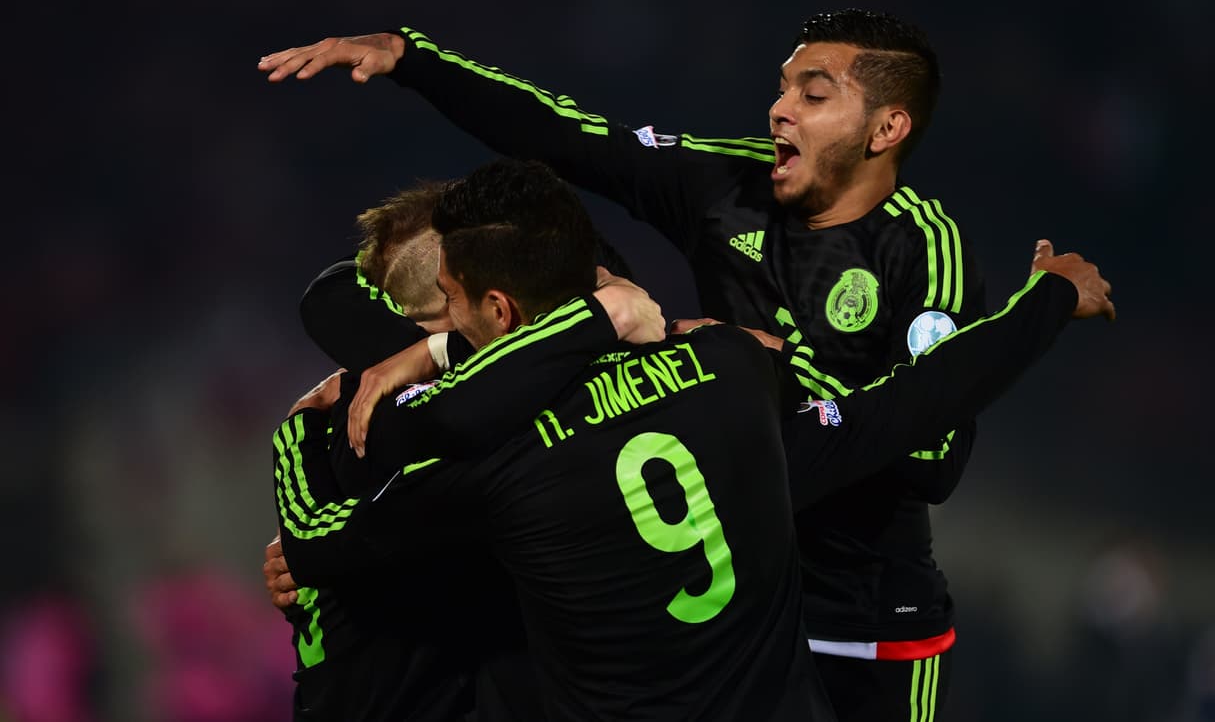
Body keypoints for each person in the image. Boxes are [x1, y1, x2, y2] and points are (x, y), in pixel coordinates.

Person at [258, 8, 995, 718]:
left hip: (865, 626)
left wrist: (774, 365)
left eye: (813, 93)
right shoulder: (725, 188)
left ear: (887, 127)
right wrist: (413, 60)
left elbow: (935, 456)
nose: (779, 109)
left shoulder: (927, 251)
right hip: (724, 610)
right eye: (782, 85)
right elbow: (571, 137)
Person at [272, 161, 1115, 720]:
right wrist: (1043, 303)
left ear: (496, 311)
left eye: (450, 310)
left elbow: (326, 544)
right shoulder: (725, 372)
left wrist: (312, 539)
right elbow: (904, 405)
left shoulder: (473, 459)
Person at [275, 159, 839, 721]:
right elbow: (331, 297)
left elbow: (310, 542)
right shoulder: (716, 366)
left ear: (497, 306)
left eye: (452, 297)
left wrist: (298, 426)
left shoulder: (470, 442)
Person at [269, 177, 664, 721]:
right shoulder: (416, 432)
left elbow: (331, 291)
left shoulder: (370, 402)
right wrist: (606, 317)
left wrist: (301, 429)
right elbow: (314, 544)